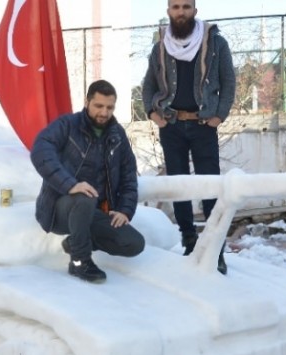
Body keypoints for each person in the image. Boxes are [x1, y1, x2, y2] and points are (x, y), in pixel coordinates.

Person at [141, 0, 235, 274]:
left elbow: (229, 82)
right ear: (168, 11)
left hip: (203, 125)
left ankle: (216, 249)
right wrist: (151, 113)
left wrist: (219, 115)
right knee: (178, 186)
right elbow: (148, 85)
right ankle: (189, 241)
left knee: (211, 188)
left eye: (185, 6)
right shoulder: (160, 47)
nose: (180, 12)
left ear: (195, 10)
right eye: (175, 7)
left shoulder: (216, 44)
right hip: (171, 126)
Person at [31, 79, 145, 283]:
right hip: (60, 209)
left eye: (109, 107)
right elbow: (41, 150)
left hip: (96, 211)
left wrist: (124, 209)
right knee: (85, 196)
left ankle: (75, 242)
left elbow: (129, 175)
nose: (104, 112)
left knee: (134, 243)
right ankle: (79, 261)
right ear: (87, 102)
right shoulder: (67, 125)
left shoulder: (117, 135)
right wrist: (70, 185)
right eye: (99, 106)